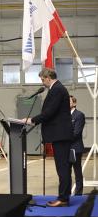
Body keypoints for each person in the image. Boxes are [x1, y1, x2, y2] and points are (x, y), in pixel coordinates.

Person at [25, 68, 73, 207]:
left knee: (62, 167)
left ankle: (63, 199)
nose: (42, 82)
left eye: (42, 79)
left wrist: (31, 120)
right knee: (62, 167)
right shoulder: (56, 89)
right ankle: (64, 197)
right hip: (60, 134)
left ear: (48, 77)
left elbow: (49, 112)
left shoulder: (57, 89)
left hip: (61, 135)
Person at [69, 95, 85, 195]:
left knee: (77, 172)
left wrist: (63, 138)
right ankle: (66, 194)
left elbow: (77, 132)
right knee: (66, 173)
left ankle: (78, 194)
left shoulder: (79, 115)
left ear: (74, 103)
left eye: (68, 101)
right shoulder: (64, 115)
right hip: (65, 148)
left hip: (75, 148)